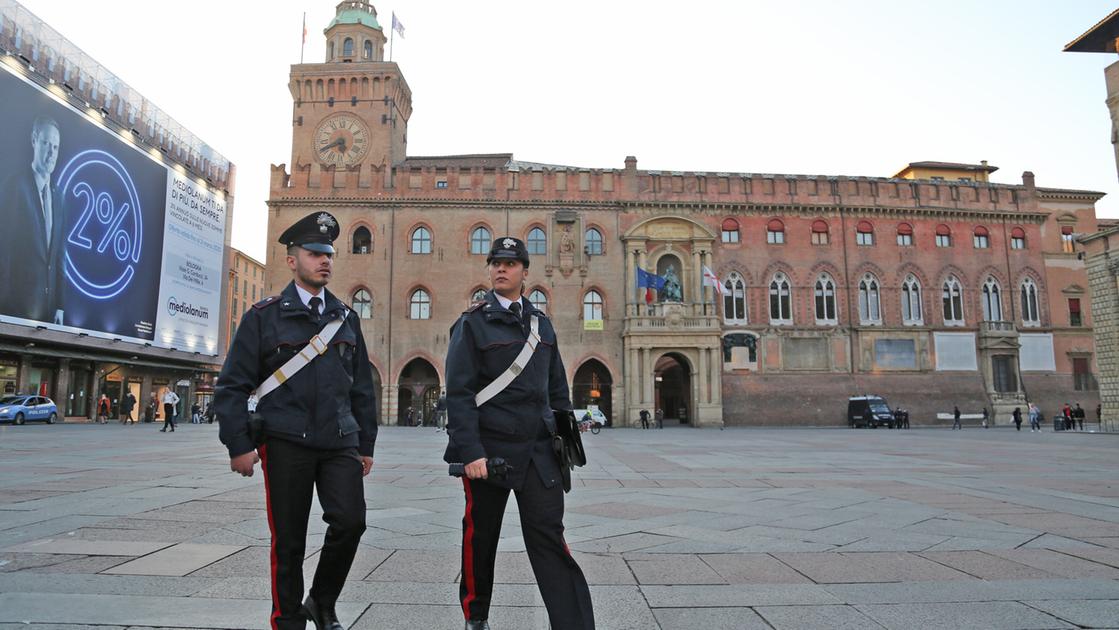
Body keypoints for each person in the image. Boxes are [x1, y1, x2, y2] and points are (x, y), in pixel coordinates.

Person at [214, 211, 377, 630]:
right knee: (288, 541)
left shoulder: (345, 317)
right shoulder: (264, 317)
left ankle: (321, 600)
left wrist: (365, 445)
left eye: (329, 254)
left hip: (339, 439)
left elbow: (361, 388)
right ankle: (288, 621)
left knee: (351, 521)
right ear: (292, 260)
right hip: (285, 440)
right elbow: (232, 385)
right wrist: (239, 445)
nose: (325, 260)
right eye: (314, 253)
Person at [444, 236, 595, 630]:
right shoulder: (472, 324)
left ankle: (574, 624)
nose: (500, 269)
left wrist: (566, 450)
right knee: (480, 539)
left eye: (510, 264)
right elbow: (459, 395)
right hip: (489, 453)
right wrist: (470, 452)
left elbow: (558, 392)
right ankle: (475, 617)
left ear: (524, 272)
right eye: (495, 262)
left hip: (539, 454)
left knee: (550, 539)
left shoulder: (541, 325)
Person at [0, 116, 67, 325]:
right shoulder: (15, 186)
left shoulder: (58, 196)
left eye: (55, 147)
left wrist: (60, 305)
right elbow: (5, 249)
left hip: (48, 313)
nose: (51, 154)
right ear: (34, 141)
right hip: (16, 310)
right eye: (46, 144)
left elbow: (58, 257)